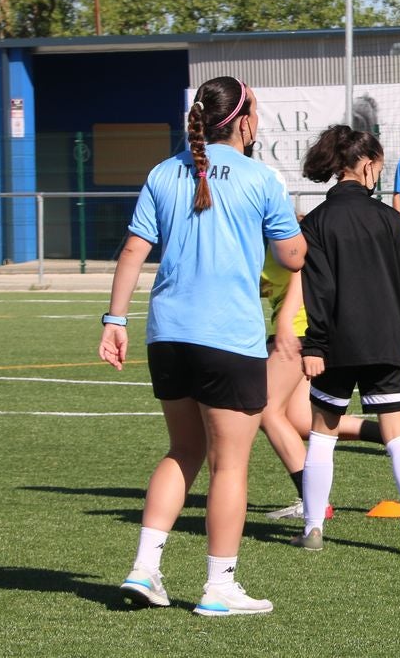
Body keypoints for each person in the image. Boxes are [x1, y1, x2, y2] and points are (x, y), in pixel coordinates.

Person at [101, 76, 306, 616]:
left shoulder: (163, 172)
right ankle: (219, 585)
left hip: (167, 334)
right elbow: (292, 257)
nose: (258, 121)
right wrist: (304, 235)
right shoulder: (261, 178)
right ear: (241, 121)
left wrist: (114, 320)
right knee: (230, 465)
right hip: (227, 338)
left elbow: (131, 251)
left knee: (182, 451)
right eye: (256, 112)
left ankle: (145, 569)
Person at [294, 124, 400, 553]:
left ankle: (314, 528)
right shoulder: (389, 219)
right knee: (397, 433)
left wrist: (314, 345)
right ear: (368, 165)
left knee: (323, 433)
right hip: (384, 341)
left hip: (336, 344)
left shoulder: (317, 221)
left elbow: (317, 290)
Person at [258, 248, 399, 521]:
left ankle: (312, 501)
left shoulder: (276, 239)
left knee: (266, 410)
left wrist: (286, 320)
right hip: (300, 329)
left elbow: (301, 269)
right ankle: (385, 432)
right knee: (299, 420)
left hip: (299, 330)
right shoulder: (258, 240)